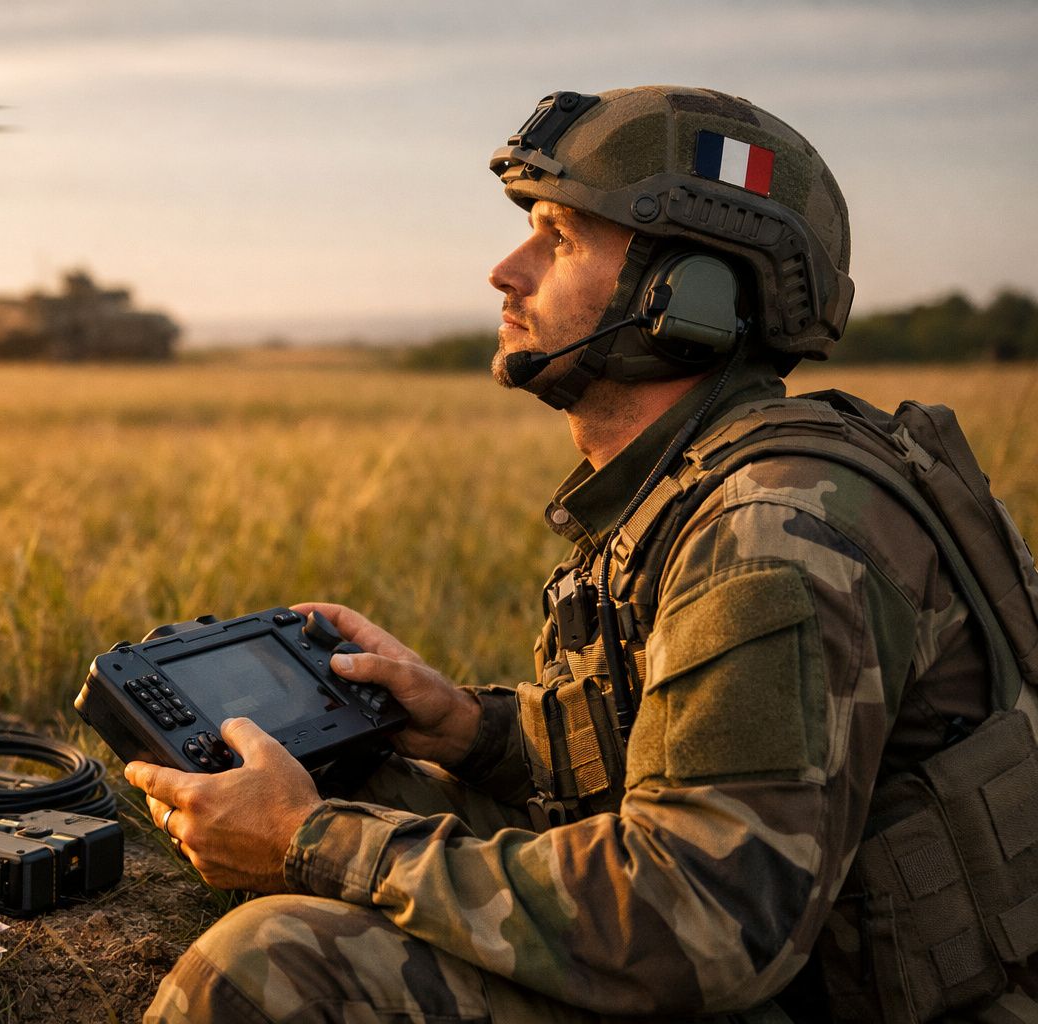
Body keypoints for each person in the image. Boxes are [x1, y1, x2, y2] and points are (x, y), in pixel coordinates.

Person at [125, 86, 1038, 1022]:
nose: (504, 271)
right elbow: (692, 756)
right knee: (369, 777)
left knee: (273, 962)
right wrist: (471, 730)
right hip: (811, 955)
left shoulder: (772, 528)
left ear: (687, 298)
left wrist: (312, 844)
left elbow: (705, 923)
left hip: (807, 986)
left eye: (558, 237)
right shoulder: (716, 477)